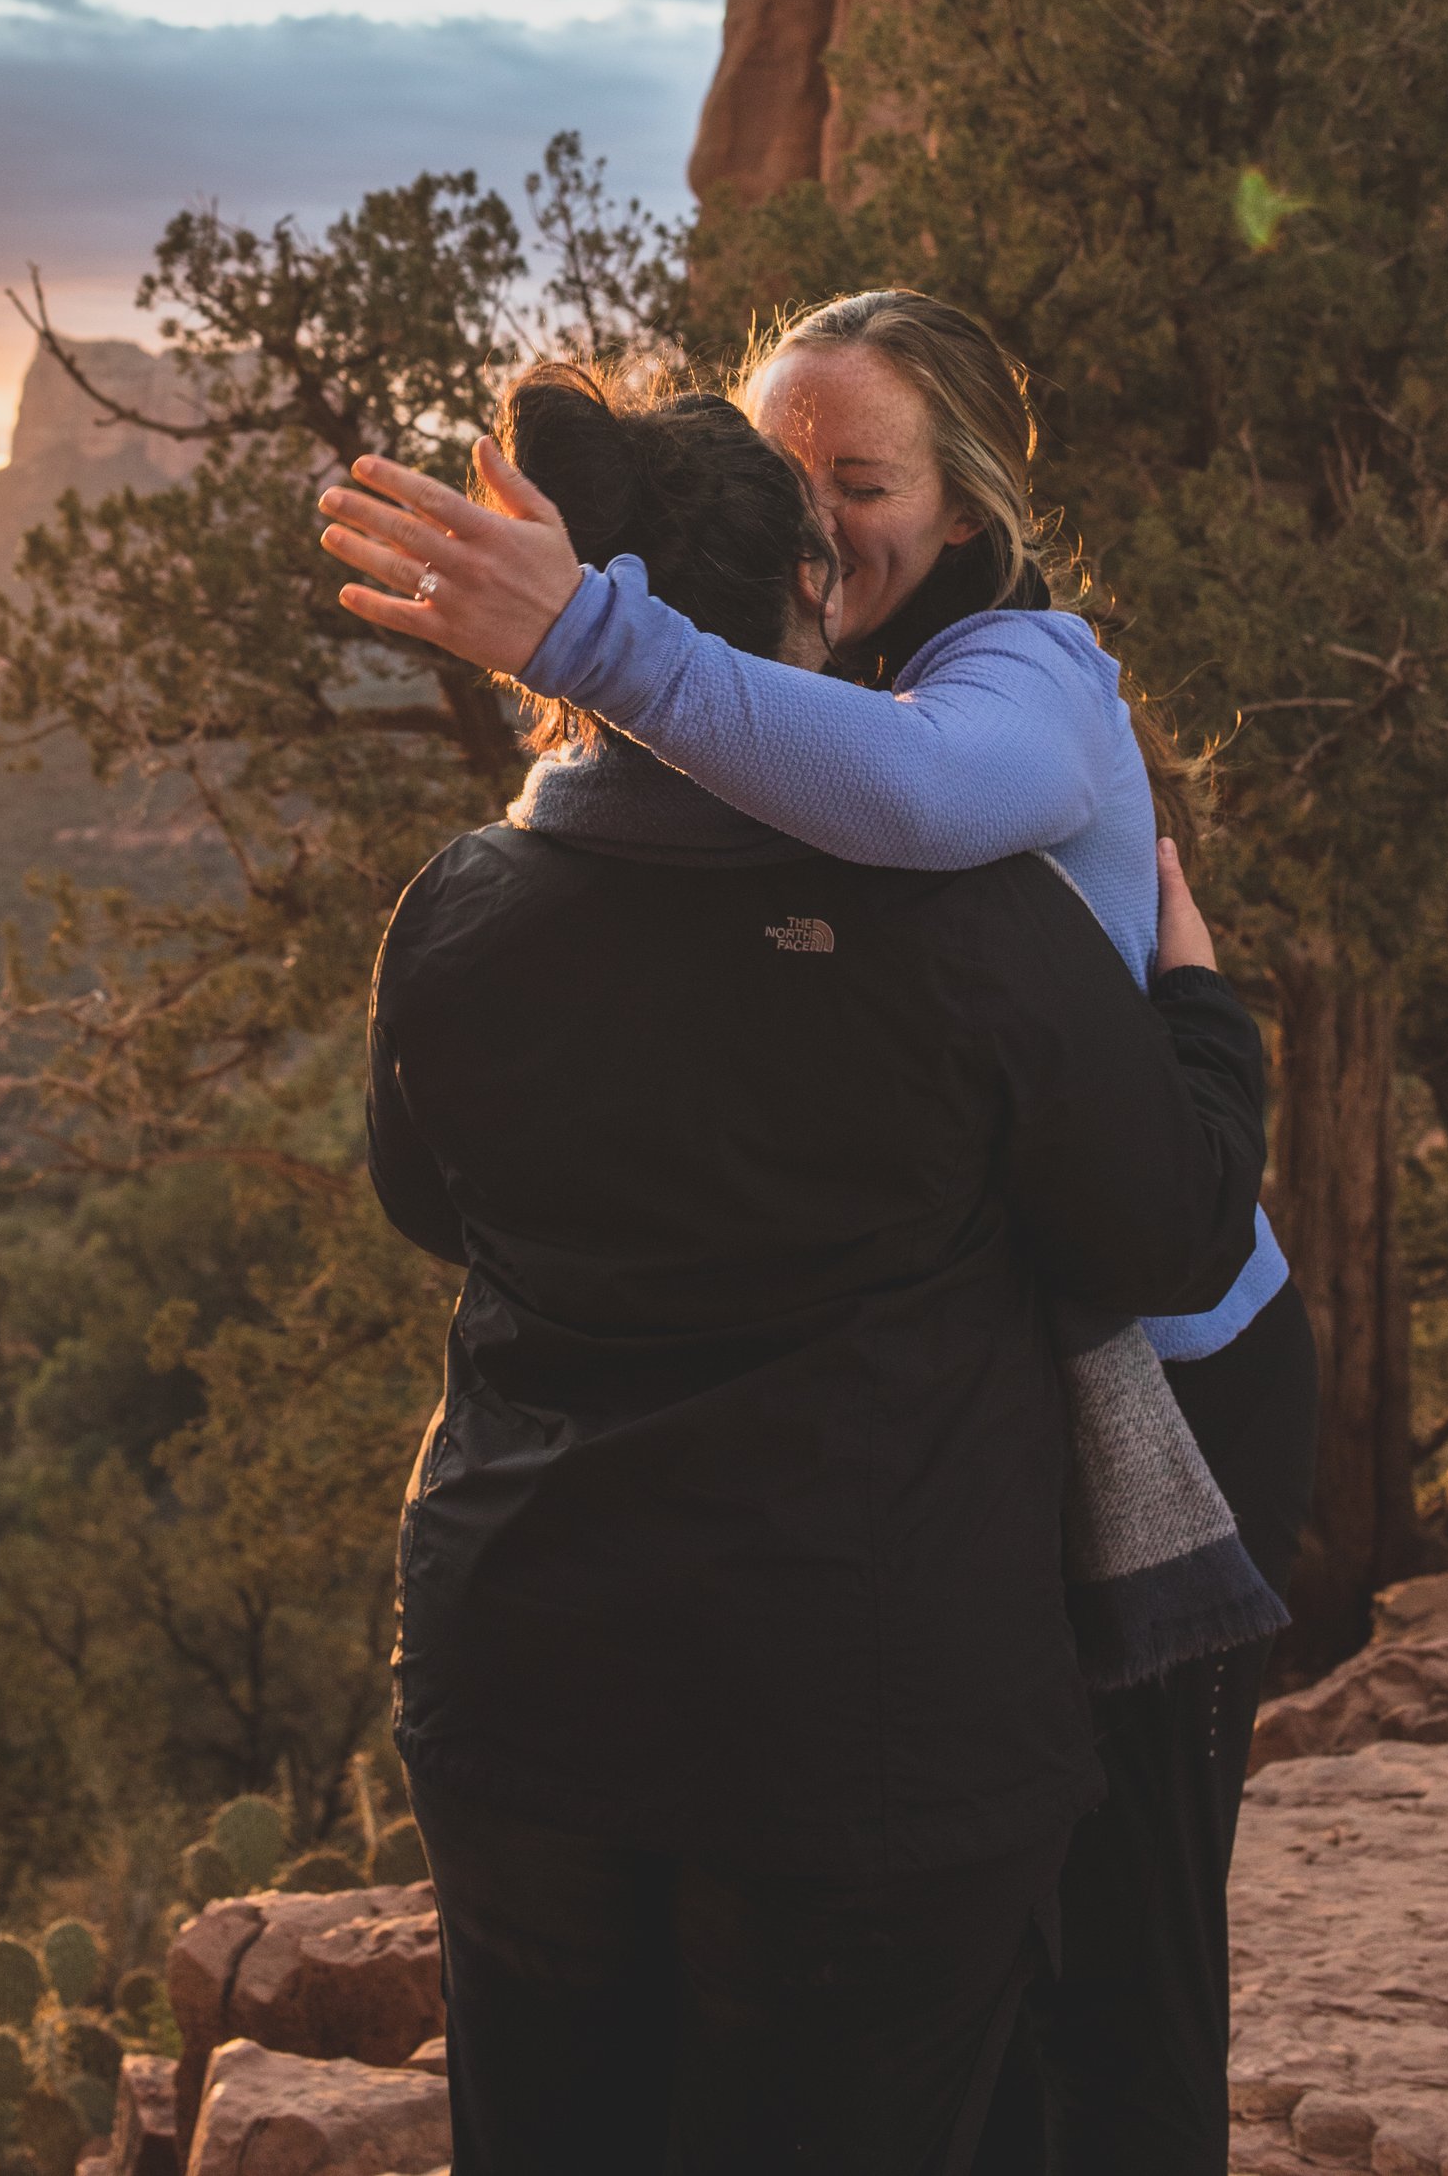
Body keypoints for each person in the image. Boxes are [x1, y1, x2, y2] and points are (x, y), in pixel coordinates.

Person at [325, 291, 1321, 2176]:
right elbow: (1137, 1205)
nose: (837, 515)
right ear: (785, 566)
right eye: (805, 485)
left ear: (965, 506)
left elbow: (427, 1199)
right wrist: (1200, 1005)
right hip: (883, 1666)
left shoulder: (487, 892)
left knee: (1084, 1988)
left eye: (867, 475)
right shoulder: (937, 902)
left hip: (575, 1657)